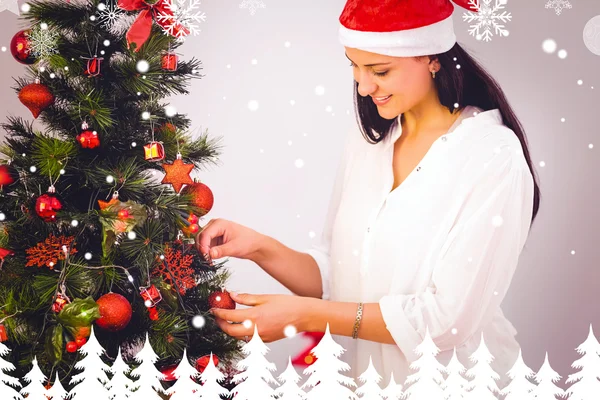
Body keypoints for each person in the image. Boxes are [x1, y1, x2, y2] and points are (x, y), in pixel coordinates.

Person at [196, 0, 541, 390]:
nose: (363, 86)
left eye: (380, 70)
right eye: (354, 66)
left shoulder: (491, 155)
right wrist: (259, 247)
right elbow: (341, 276)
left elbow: (448, 320)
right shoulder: (369, 142)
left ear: (431, 57)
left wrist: (311, 316)